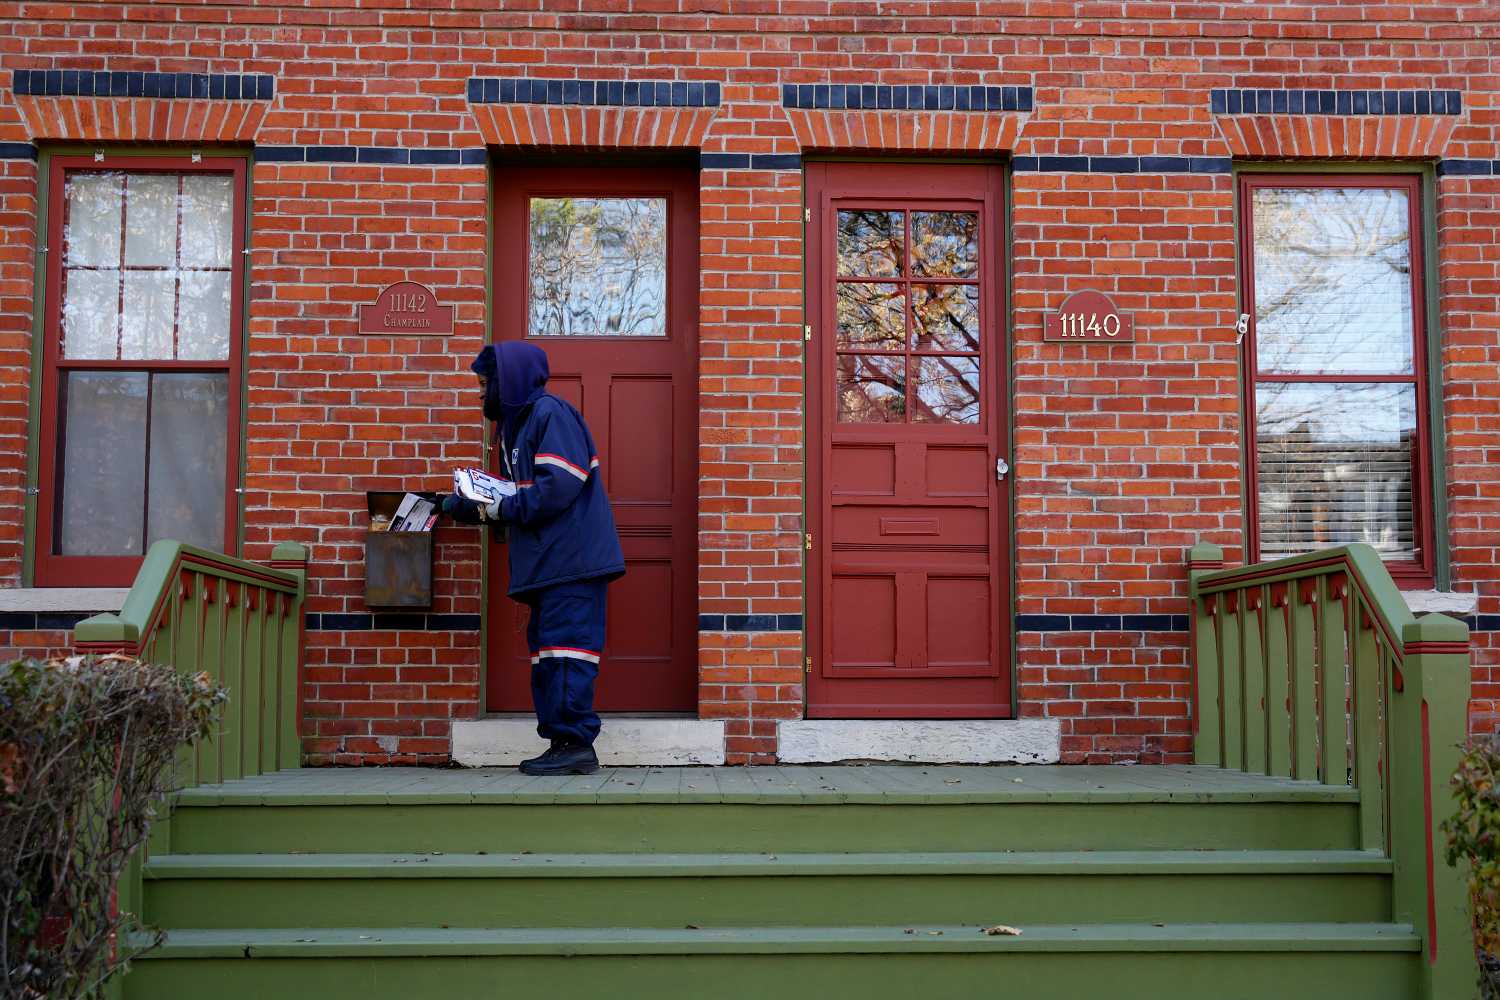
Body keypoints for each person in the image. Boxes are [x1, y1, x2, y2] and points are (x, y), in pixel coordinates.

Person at [441, 343, 624, 776]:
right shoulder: (516, 429)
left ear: (507, 382)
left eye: (484, 385)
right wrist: (474, 504)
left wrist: (500, 506)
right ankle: (562, 742)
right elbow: (522, 495)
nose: (479, 394)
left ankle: (576, 745)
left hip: (571, 564)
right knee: (549, 657)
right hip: (548, 566)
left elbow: (558, 485)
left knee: (567, 653)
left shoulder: (549, 415)